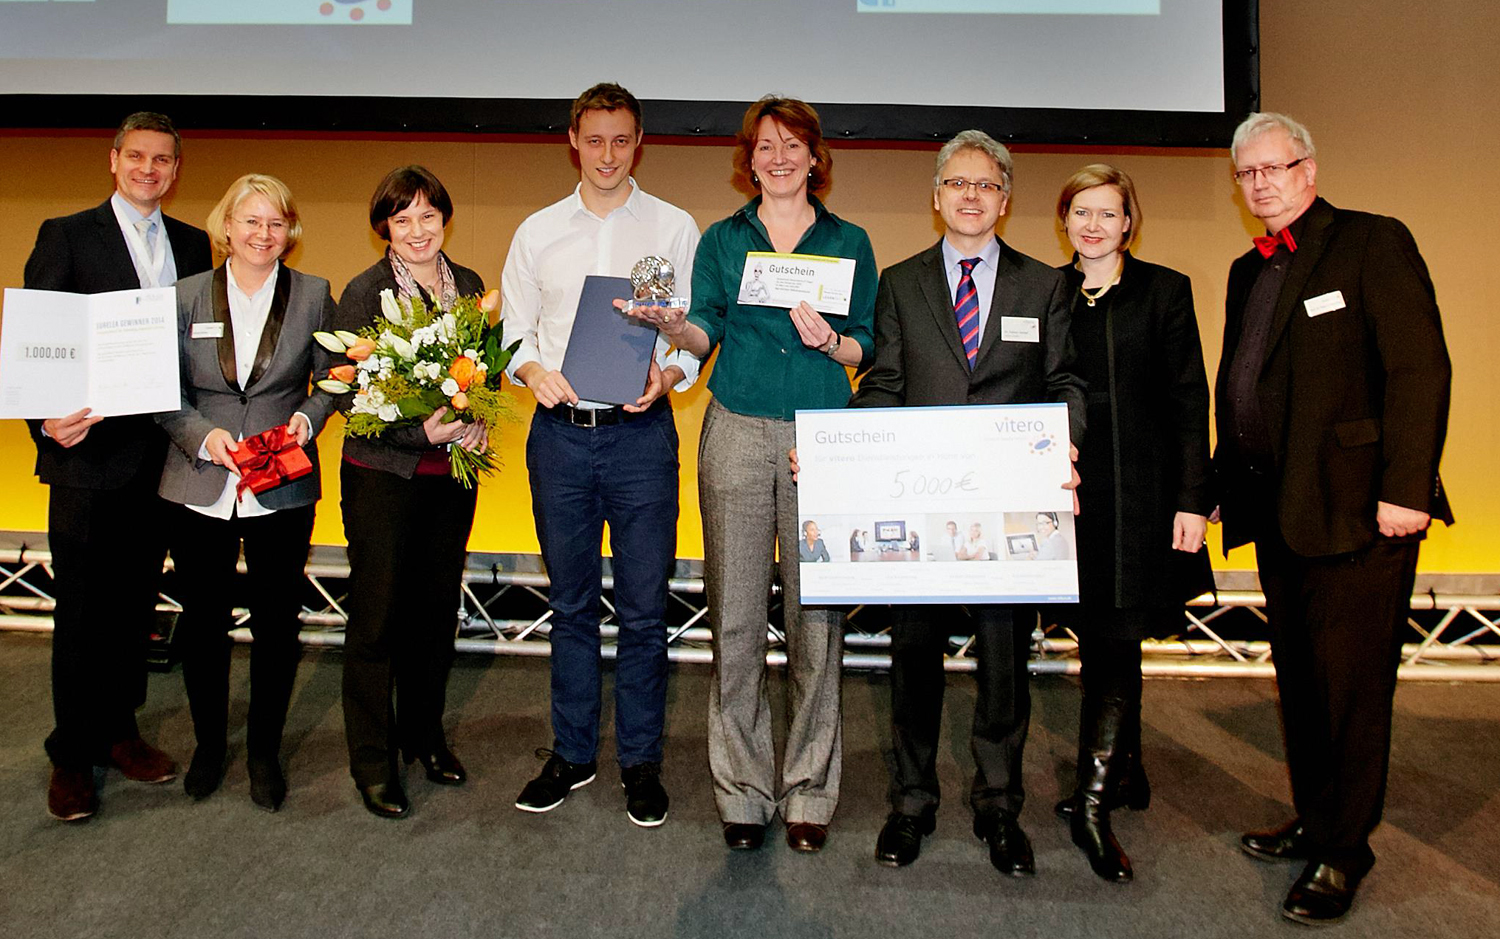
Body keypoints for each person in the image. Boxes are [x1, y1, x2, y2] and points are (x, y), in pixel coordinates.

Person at [1213, 113, 1451, 925]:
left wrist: (1407, 489)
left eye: (1274, 168)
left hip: (1360, 512)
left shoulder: (1371, 241)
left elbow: (1419, 368)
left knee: (1351, 691)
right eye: (1247, 173)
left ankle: (1346, 850)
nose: (1260, 183)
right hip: (1280, 513)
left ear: (1308, 169)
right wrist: (1219, 484)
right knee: (1304, 685)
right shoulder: (1248, 269)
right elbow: (1242, 388)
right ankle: (1317, 819)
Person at [848, 130, 1085, 875]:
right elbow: (885, 384)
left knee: (1004, 666)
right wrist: (838, 452)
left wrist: (1065, 442)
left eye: (986, 184)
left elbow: (1066, 383)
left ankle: (999, 806)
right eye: (957, 183)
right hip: (921, 511)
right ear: (937, 196)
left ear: (1005, 200)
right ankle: (911, 802)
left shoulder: (1045, 285)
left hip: (1011, 513)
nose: (971, 195)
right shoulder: (901, 282)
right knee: (912, 659)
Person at [646, 95, 876, 853]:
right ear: (750, 159)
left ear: (815, 157)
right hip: (737, 428)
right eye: (765, 146)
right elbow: (704, 329)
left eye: (792, 145)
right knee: (736, 618)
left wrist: (833, 343)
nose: (778, 158)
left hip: (823, 436)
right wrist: (674, 327)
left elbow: (868, 343)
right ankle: (742, 791)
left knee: (818, 622)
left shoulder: (850, 240)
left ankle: (809, 789)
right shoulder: (723, 238)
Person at [501, 83, 700, 828]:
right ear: (573, 143)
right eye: (594, 140)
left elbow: (691, 333)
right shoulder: (538, 232)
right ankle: (573, 752)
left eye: (621, 140)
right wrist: (532, 372)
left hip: (642, 437)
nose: (607, 155)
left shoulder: (674, 228)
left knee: (646, 610)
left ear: (639, 142)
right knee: (571, 605)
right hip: (560, 437)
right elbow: (513, 333)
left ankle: (641, 762)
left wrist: (668, 375)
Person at [22, 111, 212, 821]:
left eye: (162, 159)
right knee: (81, 612)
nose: (148, 169)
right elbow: (37, 340)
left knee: (135, 606)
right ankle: (72, 754)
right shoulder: (67, 235)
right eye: (136, 156)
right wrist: (44, 424)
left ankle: (120, 730)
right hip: (87, 457)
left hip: (161, 457)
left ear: (175, 169)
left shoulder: (192, 243)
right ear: (113, 160)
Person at [1048, 163, 1212, 883]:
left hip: (1144, 497)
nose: (1093, 225)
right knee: (1100, 633)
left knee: (1117, 635)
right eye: (1081, 211)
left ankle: (1092, 804)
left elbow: (1189, 401)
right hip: (1075, 493)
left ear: (1128, 222)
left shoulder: (1165, 291)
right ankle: (1128, 771)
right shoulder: (1048, 292)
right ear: (1064, 219)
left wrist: (1193, 499)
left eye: (1107, 213)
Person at [156, 174, 337, 812]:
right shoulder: (184, 295)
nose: (263, 234)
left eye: (276, 223)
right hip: (198, 481)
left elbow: (334, 379)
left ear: (290, 232)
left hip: (280, 480)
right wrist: (201, 437)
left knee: (277, 624)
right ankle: (209, 746)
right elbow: (162, 390)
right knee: (202, 622)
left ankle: (263, 751)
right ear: (226, 226)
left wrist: (308, 419)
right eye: (251, 221)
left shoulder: (314, 294)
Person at [333, 166, 490, 819]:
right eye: (403, 219)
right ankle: (374, 761)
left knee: (434, 614)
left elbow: (482, 373)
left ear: (444, 219)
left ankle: (425, 736)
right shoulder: (364, 292)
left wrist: (478, 419)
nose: (418, 230)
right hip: (383, 478)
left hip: (449, 479)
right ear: (385, 228)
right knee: (377, 619)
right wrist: (414, 431)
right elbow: (345, 391)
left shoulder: (470, 286)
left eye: (428, 215)